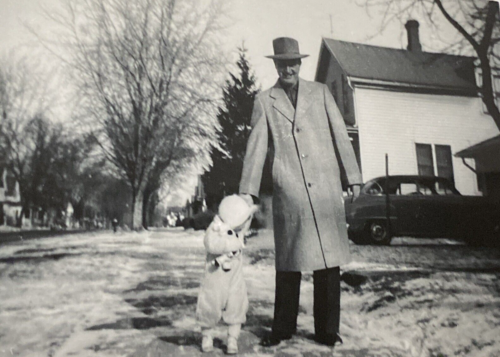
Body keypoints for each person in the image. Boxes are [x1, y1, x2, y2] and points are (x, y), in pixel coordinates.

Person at [239, 37, 362, 348]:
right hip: (289, 188)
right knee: (289, 262)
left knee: (327, 261)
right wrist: (247, 191)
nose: (288, 67)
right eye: (282, 63)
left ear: (300, 63)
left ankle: (327, 331)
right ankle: (282, 329)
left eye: (293, 62)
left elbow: (340, 136)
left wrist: (354, 176)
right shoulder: (265, 100)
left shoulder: (321, 93)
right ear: (276, 65)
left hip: (324, 188)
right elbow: (256, 149)